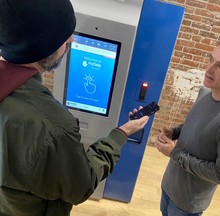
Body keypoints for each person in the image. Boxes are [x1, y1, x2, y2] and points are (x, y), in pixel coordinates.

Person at [0, 0, 149, 215]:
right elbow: (81, 186)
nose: (71, 39)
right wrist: (120, 134)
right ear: (42, 44)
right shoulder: (53, 125)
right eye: (64, 36)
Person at [154, 36, 220, 216]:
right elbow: (197, 124)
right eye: (211, 59)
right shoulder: (206, 91)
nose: (208, 70)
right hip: (169, 185)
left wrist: (174, 153)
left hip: (187, 203)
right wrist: (175, 132)